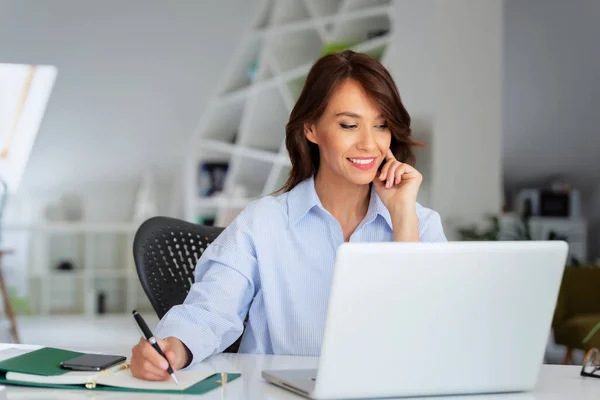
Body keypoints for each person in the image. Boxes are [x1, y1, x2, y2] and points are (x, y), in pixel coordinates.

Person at [130, 50, 447, 381]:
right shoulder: (263, 222)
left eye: (381, 126)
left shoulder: (419, 223)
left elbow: (429, 334)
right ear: (311, 128)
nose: (370, 144)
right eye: (349, 125)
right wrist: (172, 350)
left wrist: (402, 217)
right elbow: (211, 310)